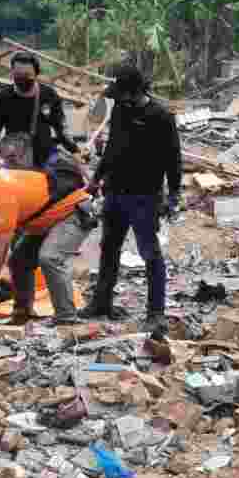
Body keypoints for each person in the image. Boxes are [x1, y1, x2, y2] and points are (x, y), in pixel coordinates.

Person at [80, 65, 182, 335]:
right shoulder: (121, 110)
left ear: (134, 92)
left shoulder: (161, 117)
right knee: (109, 248)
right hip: (115, 191)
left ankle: (156, 313)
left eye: (121, 94)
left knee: (150, 253)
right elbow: (112, 147)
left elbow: (174, 159)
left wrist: (173, 196)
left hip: (145, 197)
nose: (117, 99)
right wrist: (97, 178)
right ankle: (102, 303)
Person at [0, 165, 94, 326]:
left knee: (50, 258)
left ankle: (66, 319)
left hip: (72, 213)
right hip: (46, 218)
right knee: (19, 261)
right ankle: (23, 313)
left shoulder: (1, 196)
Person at [0, 52, 77, 172]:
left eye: (27, 75)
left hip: (44, 160)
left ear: (36, 74)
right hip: (15, 160)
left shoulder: (49, 95)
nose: (22, 79)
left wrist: (75, 150)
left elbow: (60, 128)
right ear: (12, 73)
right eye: (18, 74)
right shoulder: (3, 98)